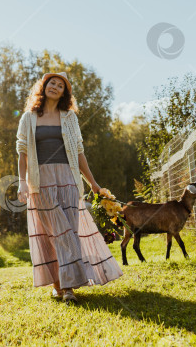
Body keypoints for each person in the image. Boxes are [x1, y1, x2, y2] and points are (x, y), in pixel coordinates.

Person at [16, 71, 123, 302]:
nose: (54, 87)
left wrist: (93, 183)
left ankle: (66, 288)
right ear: (43, 87)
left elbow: (79, 152)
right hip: (40, 181)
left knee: (69, 232)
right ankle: (63, 286)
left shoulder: (70, 118)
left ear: (65, 93)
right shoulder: (29, 117)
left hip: (68, 180)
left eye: (60, 86)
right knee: (55, 234)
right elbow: (22, 153)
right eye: (51, 83)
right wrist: (22, 182)